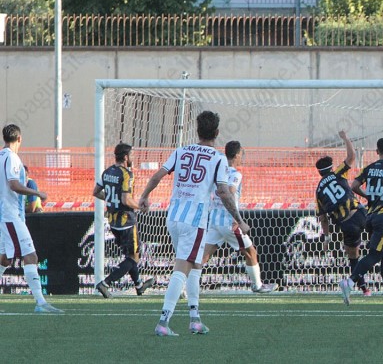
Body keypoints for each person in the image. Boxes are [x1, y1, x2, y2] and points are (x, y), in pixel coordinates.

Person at [139, 111, 250, 336]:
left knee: (196, 264)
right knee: (183, 266)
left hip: (173, 217)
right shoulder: (217, 158)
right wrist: (240, 220)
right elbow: (224, 192)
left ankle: (195, 319)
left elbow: (158, 176)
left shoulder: (181, 151)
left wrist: (144, 196)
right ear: (217, 133)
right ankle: (163, 322)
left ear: (197, 131)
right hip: (195, 219)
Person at [0, 124, 62, 313]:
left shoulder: (1, 156)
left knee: (4, 260)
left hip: (5, 215)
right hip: (11, 216)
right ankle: (40, 303)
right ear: (19, 138)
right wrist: (37, 193)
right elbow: (13, 185)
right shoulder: (12, 157)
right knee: (31, 256)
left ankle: (41, 303)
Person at [339, 137, 383, 306]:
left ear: (377, 152)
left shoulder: (369, 168)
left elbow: (354, 186)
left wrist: (368, 196)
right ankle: (349, 282)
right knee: (375, 255)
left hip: (370, 217)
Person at [202, 140, 276, 294]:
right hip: (229, 222)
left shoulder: (217, 172)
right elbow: (230, 191)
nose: (242, 158)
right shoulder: (236, 174)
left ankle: (183, 286)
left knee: (204, 256)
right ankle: (257, 285)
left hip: (214, 220)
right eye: (241, 155)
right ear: (236, 156)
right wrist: (238, 219)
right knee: (250, 252)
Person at [92, 143, 155, 298]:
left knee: (130, 256)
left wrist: (111, 200)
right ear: (126, 157)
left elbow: (96, 192)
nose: (133, 158)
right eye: (132, 155)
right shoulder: (127, 174)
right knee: (134, 257)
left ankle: (139, 286)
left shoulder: (107, 172)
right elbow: (126, 200)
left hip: (113, 222)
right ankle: (105, 283)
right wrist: (140, 207)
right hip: (126, 221)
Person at [315, 130, 372, 297]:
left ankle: (364, 289)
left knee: (353, 256)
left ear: (319, 172)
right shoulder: (338, 173)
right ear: (331, 167)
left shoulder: (318, 191)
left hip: (347, 224)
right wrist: (346, 138)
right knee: (379, 243)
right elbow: (352, 156)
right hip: (360, 213)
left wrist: (327, 238)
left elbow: (323, 218)